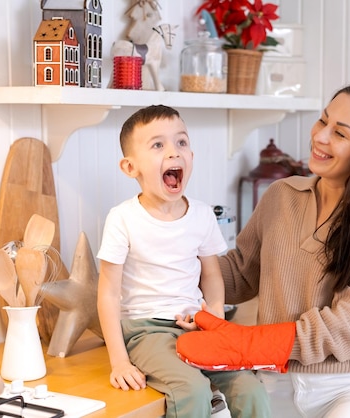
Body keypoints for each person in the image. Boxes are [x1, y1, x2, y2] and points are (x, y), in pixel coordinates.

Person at [176, 84, 350, 418]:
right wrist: (166, 259)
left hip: (349, 388)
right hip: (274, 384)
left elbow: (347, 329)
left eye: (340, 134)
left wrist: (244, 344)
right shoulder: (281, 195)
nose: (320, 137)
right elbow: (241, 273)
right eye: (322, 121)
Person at [96, 105, 270, 418]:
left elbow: (212, 277)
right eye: (158, 145)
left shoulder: (202, 215)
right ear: (130, 167)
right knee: (191, 389)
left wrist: (214, 314)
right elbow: (107, 293)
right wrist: (119, 360)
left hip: (196, 328)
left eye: (181, 142)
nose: (174, 152)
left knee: (251, 388)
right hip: (146, 332)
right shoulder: (122, 219)